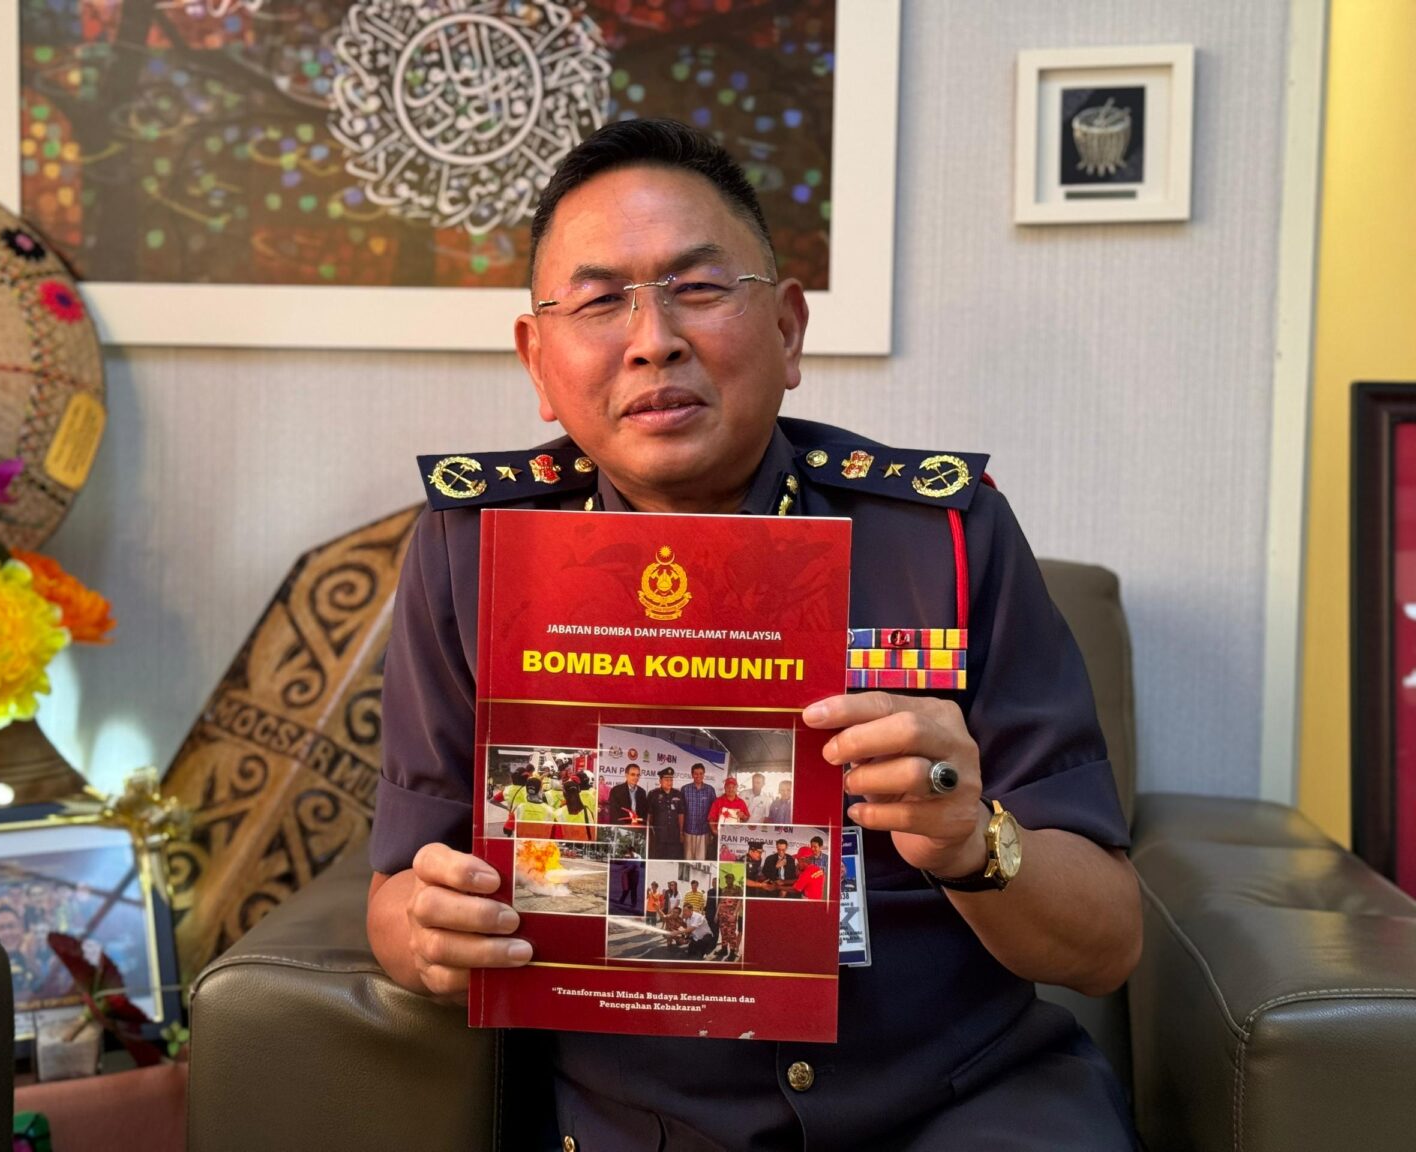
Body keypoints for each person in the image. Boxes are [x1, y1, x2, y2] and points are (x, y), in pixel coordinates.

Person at [368, 118, 1140, 1149]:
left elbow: (1106, 944)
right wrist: (424, 931)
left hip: (961, 1105)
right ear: (538, 361)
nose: (653, 339)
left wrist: (970, 842)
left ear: (787, 328)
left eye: (697, 287)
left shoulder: (945, 537)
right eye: (599, 301)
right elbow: (397, 886)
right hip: (645, 1127)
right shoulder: (474, 554)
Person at [679, 763, 717, 860]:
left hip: (703, 830)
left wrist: (712, 830)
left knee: (701, 860)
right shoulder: (685, 789)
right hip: (688, 830)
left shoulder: (710, 790)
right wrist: (681, 831)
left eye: (701, 773)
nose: (698, 776)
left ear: (704, 774)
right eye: (696, 773)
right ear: (692, 774)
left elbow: (714, 811)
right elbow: (681, 811)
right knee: (688, 859)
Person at [646, 766, 686, 858]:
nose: (669, 782)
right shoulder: (653, 794)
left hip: (674, 835)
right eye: (667, 780)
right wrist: (648, 833)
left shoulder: (678, 794)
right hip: (658, 835)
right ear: (660, 781)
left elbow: (681, 814)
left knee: (673, 859)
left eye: (671, 780)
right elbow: (649, 815)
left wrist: (681, 832)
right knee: (658, 858)